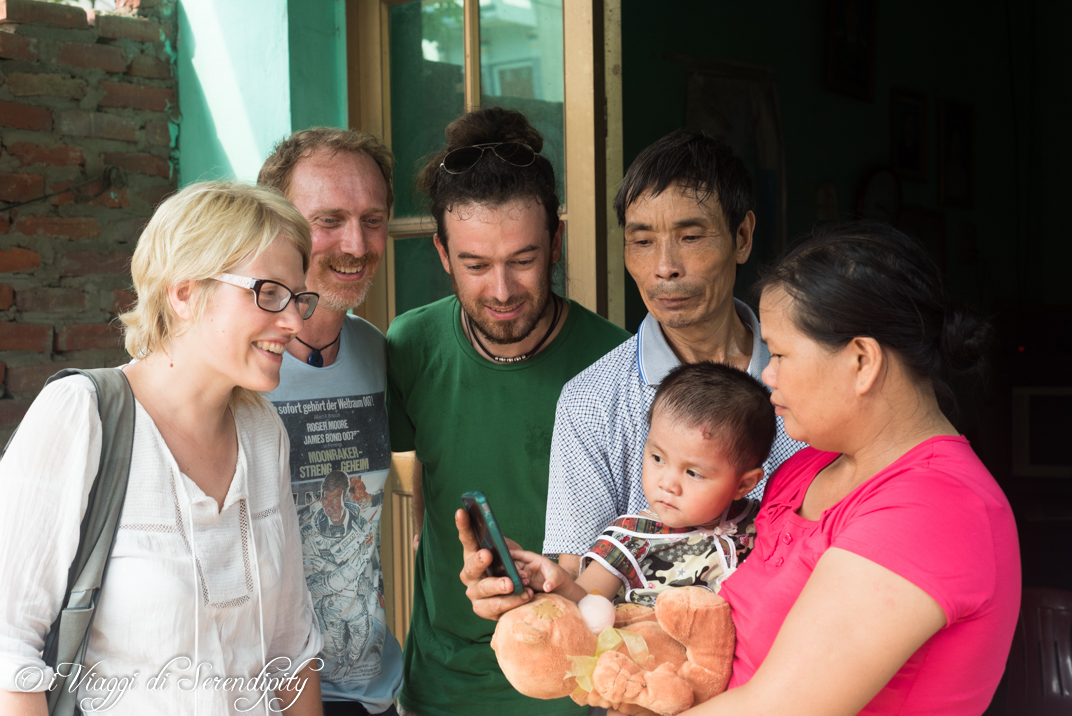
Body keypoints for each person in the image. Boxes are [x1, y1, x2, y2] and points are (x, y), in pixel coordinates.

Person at [468, 221, 1019, 715]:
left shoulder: (936, 508)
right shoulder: (805, 470)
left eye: (780, 355)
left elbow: (778, 706)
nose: (767, 376)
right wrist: (551, 593)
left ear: (861, 360)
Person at [0, 182, 324, 715]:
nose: (293, 321)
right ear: (184, 294)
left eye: (297, 298)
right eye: (268, 293)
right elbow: (10, 652)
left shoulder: (263, 432)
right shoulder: (83, 414)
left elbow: (290, 653)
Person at [386, 107, 631, 716]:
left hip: (580, 688)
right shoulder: (411, 345)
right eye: (475, 265)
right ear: (443, 254)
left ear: (556, 243)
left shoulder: (618, 362)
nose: (501, 290)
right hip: (442, 687)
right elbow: (419, 473)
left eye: (523, 260)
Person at [542, 129, 805, 578]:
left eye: (691, 237)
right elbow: (577, 586)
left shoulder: (810, 378)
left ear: (742, 237)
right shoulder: (590, 402)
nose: (664, 268)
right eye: (643, 241)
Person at [259, 128, 403, 716]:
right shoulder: (237, 366)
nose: (356, 244)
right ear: (278, 226)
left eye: (373, 220)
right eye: (329, 220)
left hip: (370, 691)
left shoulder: (377, 351)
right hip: (266, 696)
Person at [510, 361, 775, 608]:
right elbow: (585, 605)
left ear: (743, 485)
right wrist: (559, 584)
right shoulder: (630, 539)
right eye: (658, 458)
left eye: (693, 473)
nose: (668, 484)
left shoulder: (765, 523)